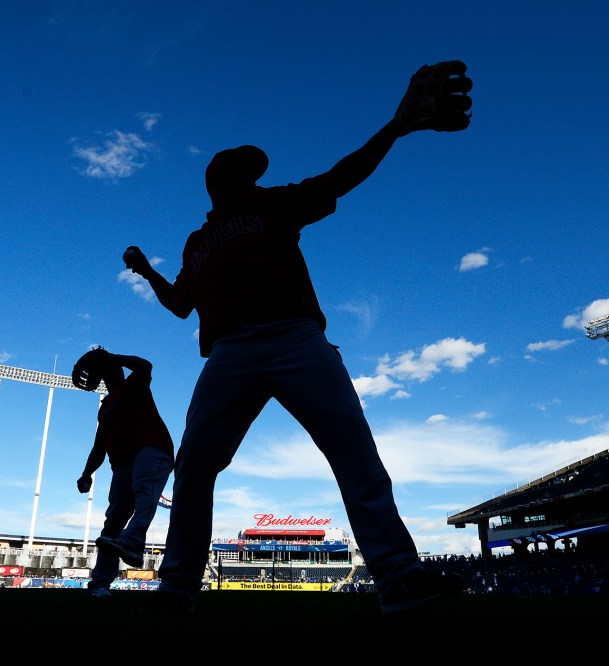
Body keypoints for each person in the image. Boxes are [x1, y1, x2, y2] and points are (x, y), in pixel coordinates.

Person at [122, 61, 473, 614]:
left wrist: (394, 127)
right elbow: (180, 305)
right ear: (220, 178)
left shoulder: (275, 202)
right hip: (229, 351)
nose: (252, 174)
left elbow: (341, 177)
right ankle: (176, 584)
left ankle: (398, 574)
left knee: (353, 450)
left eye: (251, 170)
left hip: (295, 337)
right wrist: (146, 272)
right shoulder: (199, 239)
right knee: (194, 467)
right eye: (243, 169)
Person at [73, 349, 175, 600]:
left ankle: (133, 540)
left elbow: (145, 365)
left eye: (110, 367)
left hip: (153, 448)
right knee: (114, 520)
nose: (108, 371)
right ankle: (100, 583)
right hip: (122, 462)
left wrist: (112, 357)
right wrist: (87, 473)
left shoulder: (134, 382)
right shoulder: (106, 406)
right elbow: (99, 446)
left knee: (144, 490)